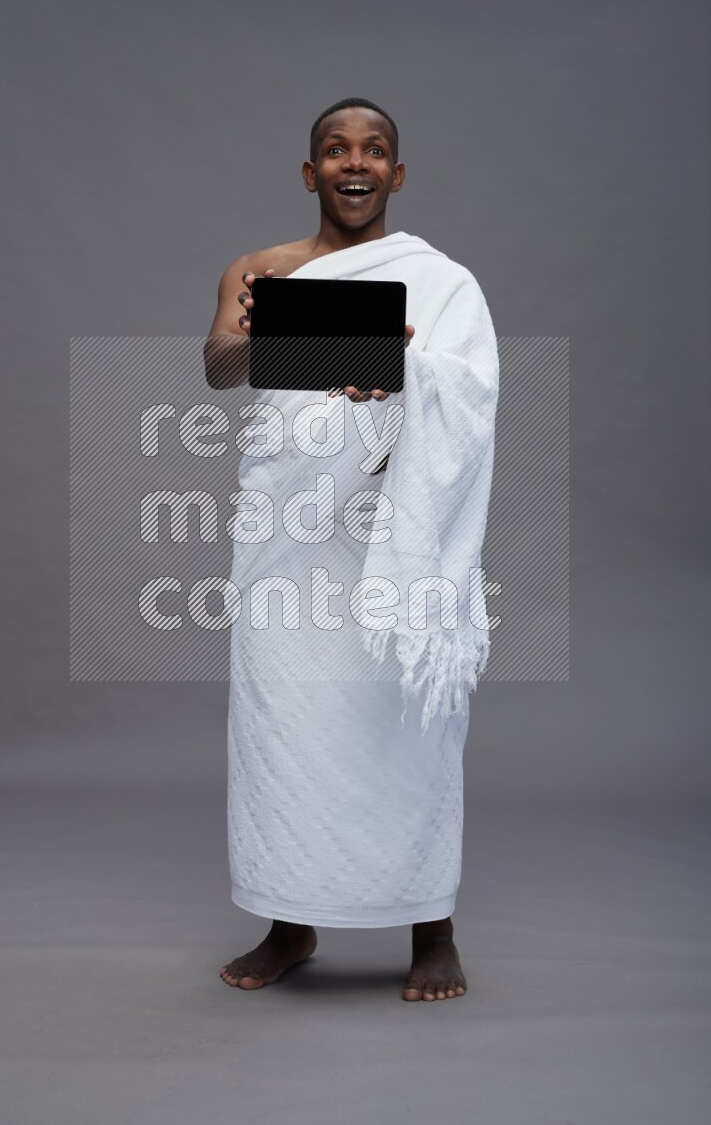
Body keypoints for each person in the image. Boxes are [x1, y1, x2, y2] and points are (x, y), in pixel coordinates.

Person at [203, 98, 499, 1003]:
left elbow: (469, 388)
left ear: (398, 174)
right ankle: (290, 920)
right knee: (282, 718)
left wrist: (400, 365)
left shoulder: (441, 282)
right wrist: (284, 338)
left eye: (375, 150)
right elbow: (217, 364)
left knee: (404, 720)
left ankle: (431, 923)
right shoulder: (260, 269)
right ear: (310, 172)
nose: (355, 162)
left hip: (384, 523)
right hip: (288, 529)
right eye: (336, 149)